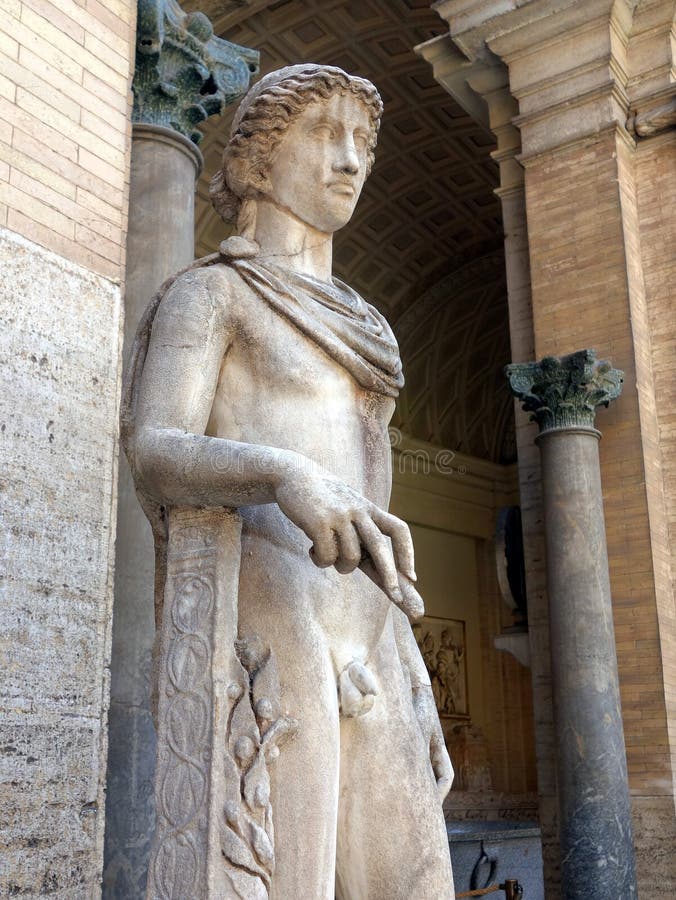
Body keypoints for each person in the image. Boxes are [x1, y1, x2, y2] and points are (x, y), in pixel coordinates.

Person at [127, 64, 454, 899]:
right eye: (325, 133)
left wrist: (413, 670)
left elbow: (371, 513)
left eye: (365, 143)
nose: (352, 160)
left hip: (370, 632)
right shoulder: (211, 297)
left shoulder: (367, 331)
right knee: (277, 882)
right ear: (257, 163)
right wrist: (282, 472)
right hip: (275, 610)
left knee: (417, 884)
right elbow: (154, 447)